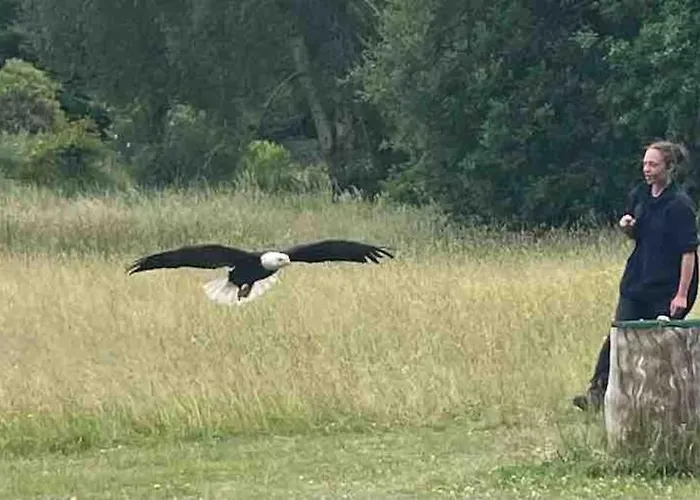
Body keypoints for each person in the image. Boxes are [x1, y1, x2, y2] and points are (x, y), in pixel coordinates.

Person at [573, 140, 700, 412]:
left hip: (668, 288)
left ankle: (665, 402)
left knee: (660, 345)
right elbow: (636, 232)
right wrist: (626, 227)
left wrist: (681, 295)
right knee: (618, 337)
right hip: (637, 281)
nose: (647, 169)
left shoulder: (680, 205)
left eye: (653, 164)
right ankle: (598, 396)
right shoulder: (639, 195)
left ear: (669, 167)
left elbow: (689, 253)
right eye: (645, 164)